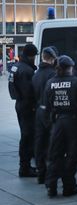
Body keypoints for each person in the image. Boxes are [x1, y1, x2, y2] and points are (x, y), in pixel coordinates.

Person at [44, 55, 77, 197]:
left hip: (57, 122)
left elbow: (46, 104)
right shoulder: (75, 82)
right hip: (72, 121)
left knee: (55, 154)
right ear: (69, 68)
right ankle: (69, 186)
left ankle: (51, 186)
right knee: (72, 154)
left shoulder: (50, 82)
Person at [9, 44, 38, 177]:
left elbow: (12, 87)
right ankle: (25, 167)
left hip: (19, 104)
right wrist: (34, 105)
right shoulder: (26, 70)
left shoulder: (15, 67)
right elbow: (29, 92)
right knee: (27, 136)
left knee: (25, 135)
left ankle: (25, 166)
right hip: (27, 106)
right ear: (30, 55)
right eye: (34, 56)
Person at [32, 47, 58, 184]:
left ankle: (41, 173)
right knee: (53, 143)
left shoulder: (36, 74)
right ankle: (52, 174)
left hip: (39, 111)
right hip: (50, 112)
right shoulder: (52, 74)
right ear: (52, 59)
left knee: (39, 143)